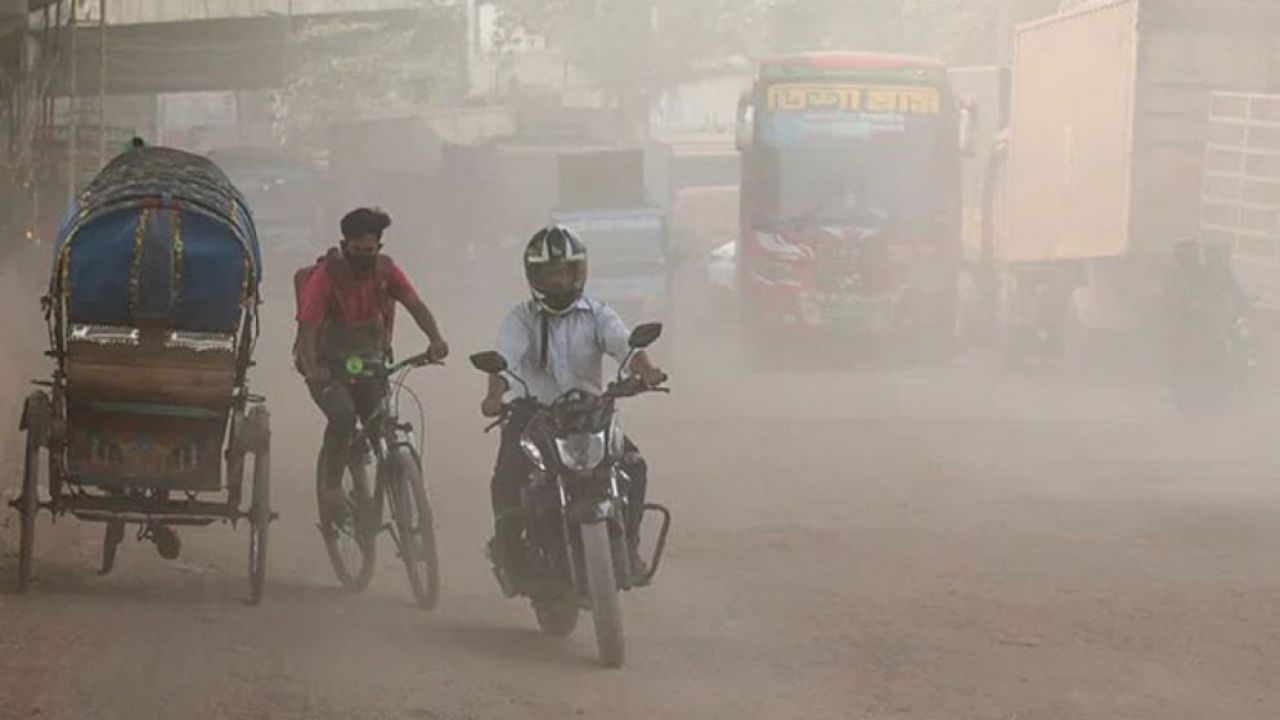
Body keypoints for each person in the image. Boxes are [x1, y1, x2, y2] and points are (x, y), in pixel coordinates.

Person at [480, 225, 666, 585]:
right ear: (535, 276)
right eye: (551, 273)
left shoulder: (597, 313)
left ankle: (628, 546)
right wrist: (493, 396)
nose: (559, 281)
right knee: (506, 478)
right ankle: (511, 554)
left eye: (565, 271)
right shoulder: (521, 319)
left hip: (589, 415)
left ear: (578, 272)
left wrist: (648, 372)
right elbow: (505, 362)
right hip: (533, 416)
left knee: (635, 466)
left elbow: (626, 347)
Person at [296, 207, 449, 515]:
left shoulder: (387, 271)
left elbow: (415, 305)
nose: (364, 257)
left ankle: (390, 479)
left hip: (370, 362)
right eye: (356, 251)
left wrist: (436, 339)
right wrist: (314, 370)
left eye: (370, 250)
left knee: (379, 420)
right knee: (342, 416)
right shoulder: (327, 278)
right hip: (327, 365)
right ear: (343, 247)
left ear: (379, 248)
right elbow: (307, 329)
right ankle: (332, 488)